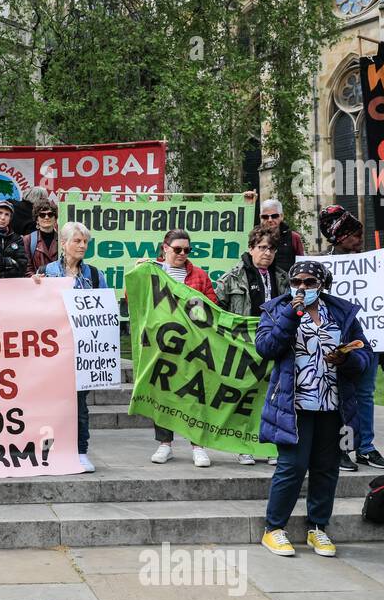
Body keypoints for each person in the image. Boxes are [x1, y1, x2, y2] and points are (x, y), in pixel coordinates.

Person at [256, 260, 370, 557]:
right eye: (297, 282)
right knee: (292, 466)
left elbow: (365, 357)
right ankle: (274, 528)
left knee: (327, 468)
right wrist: (290, 316)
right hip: (294, 405)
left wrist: (346, 359)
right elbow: (266, 348)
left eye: (309, 282)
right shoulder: (275, 310)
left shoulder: (341, 313)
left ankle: (317, 527)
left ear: (322, 284)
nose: (302, 287)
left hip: (333, 404)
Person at [318, 204, 384, 472]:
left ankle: (366, 448)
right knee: (338, 396)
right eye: (355, 235)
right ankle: (342, 449)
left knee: (365, 395)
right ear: (340, 236)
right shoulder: (322, 267)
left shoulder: (370, 265)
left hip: (369, 342)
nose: (360, 240)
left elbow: (380, 303)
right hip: (338, 344)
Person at [33, 221, 104, 473]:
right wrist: (33, 287)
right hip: (53, 349)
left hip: (82, 350)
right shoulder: (46, 272)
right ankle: (52, 449)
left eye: (85, 241)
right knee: (50, 401)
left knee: (79, 403)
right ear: (63, 244)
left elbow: (104, 311)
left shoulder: (96, 275)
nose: (82, 245)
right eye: (77, 241)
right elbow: (34, 310)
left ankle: (80, 451)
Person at [215, 226, 289, 465]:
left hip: (274, 344)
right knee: (244, 396)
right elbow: (218, 311)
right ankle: (243, 445)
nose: (267, 253)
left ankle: (268, 445)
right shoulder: (231, 278)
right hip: (243, 346)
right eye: (262, 247)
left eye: (271, 248)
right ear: (251, 248)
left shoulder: (281, 277)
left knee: (271, 396)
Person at [149, 228, 218, 467]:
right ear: (165, 247)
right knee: (164, 393)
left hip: (193, 345)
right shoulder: (152, 271)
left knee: (196, 394)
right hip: (163, 345)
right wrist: (138, 271)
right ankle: (164, 444)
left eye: (187, 250)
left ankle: (198, 446)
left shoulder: (199, 275)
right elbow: (132, 297)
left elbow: (212, 306)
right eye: (177, 249)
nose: (182, 254)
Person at [0, 199, 29, 279]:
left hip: (12, 285)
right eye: (0, 213)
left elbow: (22, 266)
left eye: (7, 214)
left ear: (10, 219)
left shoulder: (17, 239)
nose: (3, 217)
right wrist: (9, 261)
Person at [256, 197, 306, 272]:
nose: (270, 220)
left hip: (287, 281)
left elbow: (301, 264)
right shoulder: (255, 237)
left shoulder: (294, 237)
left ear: (281, 216)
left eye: (274, 216)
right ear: (260, 217)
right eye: (265, 217)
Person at [25, 199, 60, 276]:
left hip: (58, 284)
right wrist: (34, 276)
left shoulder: (62, 240)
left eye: (50, 214)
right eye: (42, 215)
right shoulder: (28, 240)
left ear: (55, 219)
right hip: (37, 284)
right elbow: (27, 267)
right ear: (37, 219)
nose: (46, 217)